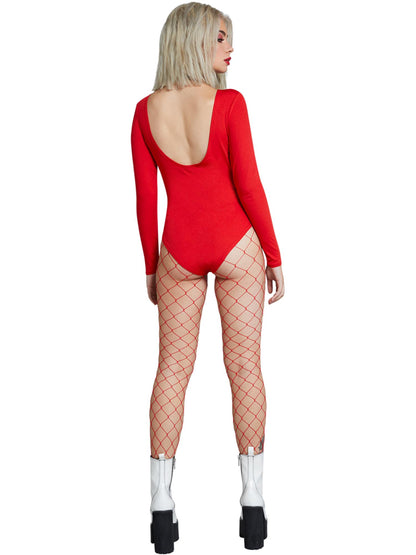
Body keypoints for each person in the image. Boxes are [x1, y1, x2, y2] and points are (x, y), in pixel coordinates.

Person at [130, 2, 285, 552]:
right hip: (236, 244)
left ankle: (161, 504)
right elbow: (249, 184)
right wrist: (274, 252)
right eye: (221, 37)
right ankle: (253, 501)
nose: (230, 47)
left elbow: (145, 202)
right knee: (244, 367)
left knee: (171, 371)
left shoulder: (145, 112)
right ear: (195, 40)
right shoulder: (229, 103)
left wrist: (151, 266)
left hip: (178, 249)